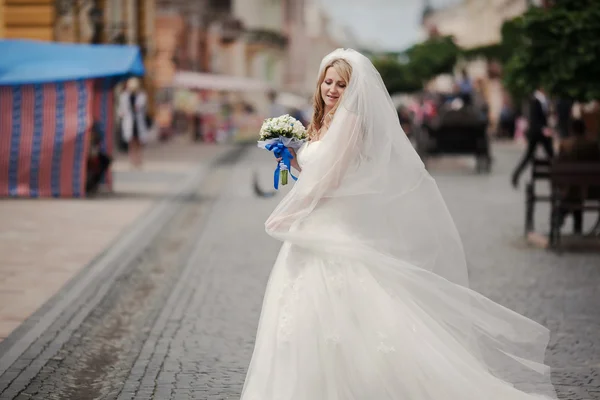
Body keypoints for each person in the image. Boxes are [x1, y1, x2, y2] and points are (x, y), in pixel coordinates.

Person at [240, 49, 557, 400]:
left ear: (353, 89)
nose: (331, 89)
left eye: (341, 84)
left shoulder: (351, 121)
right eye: (328, 82)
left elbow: (331, 181)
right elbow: (320, 174)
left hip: (333, 228)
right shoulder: (326, 120)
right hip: (318, 226)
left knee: (347, 308)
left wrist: (292, 209)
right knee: (305, 313)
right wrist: (291, 159)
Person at [555, 119, 600, 234]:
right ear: (584, 129)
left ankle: (561, 212)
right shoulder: (593, 145)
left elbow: (559, 167)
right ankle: (576, 227)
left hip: (569, 189)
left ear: (572, 130)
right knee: (578, 189)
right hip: (592, 190)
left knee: (573, 190)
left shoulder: (565, 145)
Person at [511, 86, 554, 188]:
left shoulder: (541, 100)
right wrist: (543, 129)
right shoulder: (535, 100)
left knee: (548, 155)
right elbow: (535, 119)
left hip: (540, 132)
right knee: (547, 155)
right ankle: (515, 175)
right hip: (537, 133)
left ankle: (515, 175)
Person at [118, 77, 149, 168]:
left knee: (139, 142)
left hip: (138, 122)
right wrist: (122, 113)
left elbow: (142, 108)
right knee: (131, 143)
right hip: (129, 122)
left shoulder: (141, 96)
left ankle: (139, 160)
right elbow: (121, 110)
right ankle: (132, 160)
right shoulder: (124, 96)